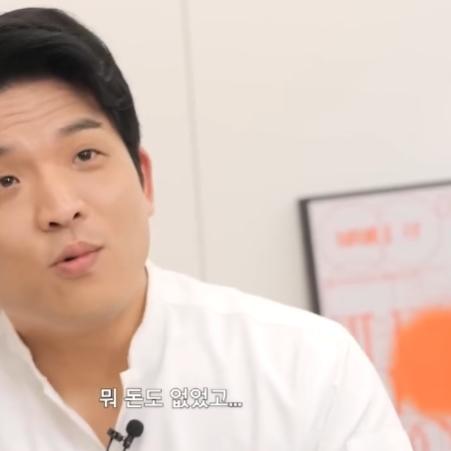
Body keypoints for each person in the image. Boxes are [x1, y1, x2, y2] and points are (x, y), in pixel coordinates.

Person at [0, 7, 412, 451]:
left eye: (85, 155)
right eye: (6, 180)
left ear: (144, 179)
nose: (61, 209)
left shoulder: (305, 368)